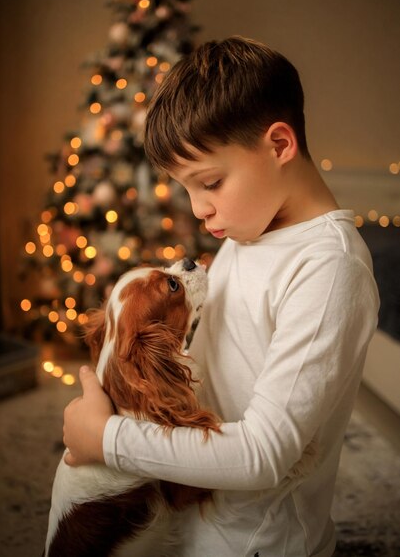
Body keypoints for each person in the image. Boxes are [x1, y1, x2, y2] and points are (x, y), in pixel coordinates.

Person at [63, 36, 379, 556]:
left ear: (279, 145)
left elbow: (263, 453)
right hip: (189, 521)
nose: (198, 210)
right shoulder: (246, 233)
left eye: (209, 182)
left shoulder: (329, 270)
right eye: (186, 189)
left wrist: (108, 441)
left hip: (257, 543)